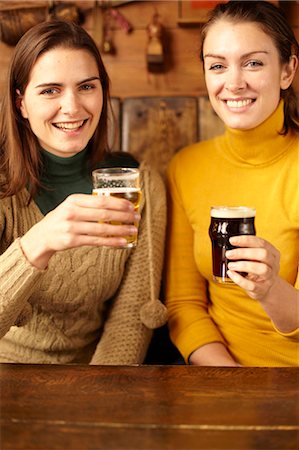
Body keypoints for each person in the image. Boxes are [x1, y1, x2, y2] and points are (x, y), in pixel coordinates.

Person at [0, 20, 167, 365]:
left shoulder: (139, 185)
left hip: (98, 380)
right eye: (50, 90)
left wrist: (97, 398)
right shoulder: (5, 193)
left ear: (103, 92)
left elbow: (130, 320)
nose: (73, 107)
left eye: (87, 87)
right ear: (21, 104)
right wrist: (38, 243)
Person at [165, 1, 299, 367]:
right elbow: (183, 305)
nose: (233, 82)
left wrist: (271, 290)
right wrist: (231, 383)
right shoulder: (186, 167)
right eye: (218, 66)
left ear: (287, 70)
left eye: (253, 62)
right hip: (219, 379)